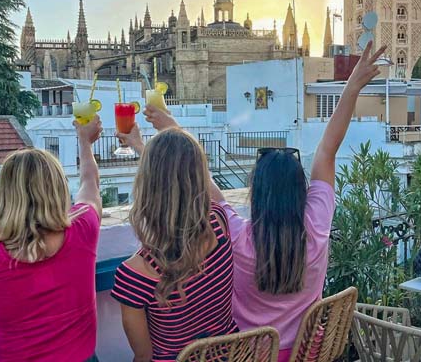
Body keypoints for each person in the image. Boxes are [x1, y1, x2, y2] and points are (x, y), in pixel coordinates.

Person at [142, 41, 387, 362]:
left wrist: (172, 127)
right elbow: (328, 148)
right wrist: (352, 86)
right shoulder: (317, 224)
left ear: (256, 193)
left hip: (249, 356)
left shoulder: (239, 235)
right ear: (301, 189)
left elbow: (202, 177)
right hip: (306, 353)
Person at [0, 117, 104, 362]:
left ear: (5, 196)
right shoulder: (83, 230)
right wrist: (85, 142)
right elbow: (90, 183)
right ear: (58, 190)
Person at [110, 127, 238, 362]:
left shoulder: (134, 274)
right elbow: (187, 180)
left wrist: (145, 151)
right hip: (232, 355)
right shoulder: (219, 221)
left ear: (147, 184)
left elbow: (143, 355)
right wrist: (142, 146)